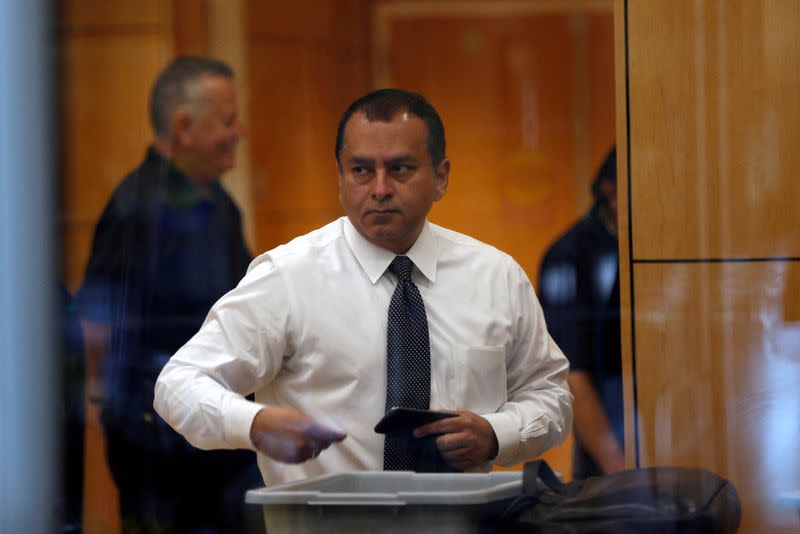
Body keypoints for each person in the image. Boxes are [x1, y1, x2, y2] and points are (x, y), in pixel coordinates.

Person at [154, 88, 573, 486]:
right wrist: (253, 423)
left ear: (441, 177)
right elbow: (178, 384)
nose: (379, 189)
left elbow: (551, 396)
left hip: (460, 522)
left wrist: (496, 434)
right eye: (360, 170)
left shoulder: (495, 278)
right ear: (340, 178)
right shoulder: (288, 278)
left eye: (400, 169)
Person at [76, 56, 263, 533]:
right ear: (183, 127)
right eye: (227, 120)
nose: (240, 131)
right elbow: (97, 317)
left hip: (212, 424)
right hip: (155, 435)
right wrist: (102, 400)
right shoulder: (135, 206)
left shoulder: (219, 205)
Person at [537, 147, 624, 480]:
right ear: (610, 193)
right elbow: (573, 373)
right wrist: (618, 468)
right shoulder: (570, 254)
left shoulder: (658, 244)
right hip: (609, 442)